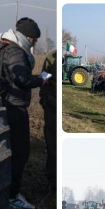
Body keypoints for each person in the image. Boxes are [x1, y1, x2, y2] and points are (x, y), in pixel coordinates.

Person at [0, 17, 47, 209]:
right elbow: (20, 79)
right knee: (20, 153)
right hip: (13, 107)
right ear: (28, 37)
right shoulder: (15, 52)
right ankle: (11, 196)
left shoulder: (0, 49)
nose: (34, 44)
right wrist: (41, 80)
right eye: (34, 40)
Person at [39, 49, 57, 194]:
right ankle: (52, 182)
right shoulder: (51, 57)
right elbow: (44, 79)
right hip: (52, 107)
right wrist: (45, 101)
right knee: (52, 146)